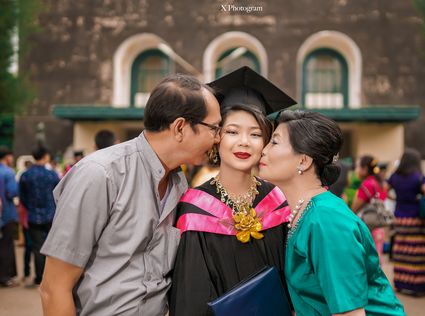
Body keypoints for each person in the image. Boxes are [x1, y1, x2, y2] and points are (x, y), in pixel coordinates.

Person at [39, 74, 221, 316]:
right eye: (214, 128)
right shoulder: (100, 175)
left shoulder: (179, 183)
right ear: (180, 127)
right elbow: (54, 288)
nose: (218, 138)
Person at [169, 66, 296, 316]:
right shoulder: (195, 206)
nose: (244, 142)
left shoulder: (278, 201)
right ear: (217, 137)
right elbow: (189, 295)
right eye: (232, 131)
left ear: (266, 142)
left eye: (256, 134)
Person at [259, 110, 405, 316]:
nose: (263, 150)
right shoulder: (305, 211)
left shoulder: (326, 220)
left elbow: (350, 313)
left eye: (274, 142)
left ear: (303, 161)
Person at [387, 148, 425, 296]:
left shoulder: (395, 176)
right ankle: (417, 287)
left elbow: (384, 190)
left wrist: (397, 199)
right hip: (416, 219)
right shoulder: (418, 177)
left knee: (401, 251)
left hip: (400, 217)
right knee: (417, 252)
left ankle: (400, 283)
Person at [19, 147, 60, 286]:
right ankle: (51, 277)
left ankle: (39, 277)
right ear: (45, 156)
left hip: (33, 216)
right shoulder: (52, 174)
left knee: (37, 247)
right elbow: (59, 192)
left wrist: (30, 206)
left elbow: (22, 195)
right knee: (52, 247)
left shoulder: (26, 175)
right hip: (50, 215)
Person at [351, 155, 388, 263]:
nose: (356, 170)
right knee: (376, 261)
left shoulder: (367, 184)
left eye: (358, 167)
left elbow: (354, 209)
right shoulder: (380, 183)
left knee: (367, 263)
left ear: (365, 169)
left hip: (368, 229)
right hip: (379, 228)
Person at [0, 146, 19, 288]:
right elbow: (12, 192)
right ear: (7, 157)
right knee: (6, 245)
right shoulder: (8, 172)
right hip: (6, 213)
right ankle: (5, 277)